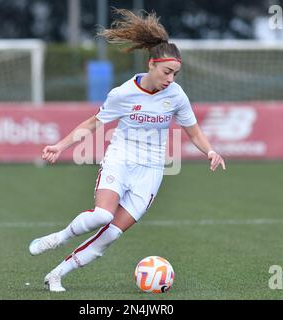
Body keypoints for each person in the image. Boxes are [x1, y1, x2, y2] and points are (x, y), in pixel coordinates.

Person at [29, 8, 226, 292]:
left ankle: (57, 274)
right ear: (151, 64)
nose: (171, 79)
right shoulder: (123, 94)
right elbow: (93, 123)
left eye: (176, 74)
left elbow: (193, 130)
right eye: (167, 71)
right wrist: (60, 146)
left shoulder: (177, 95)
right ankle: (60, 237)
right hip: (120, 158)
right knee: (102, 216)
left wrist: (209, 151)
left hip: (152, 171)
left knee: (110, 236)